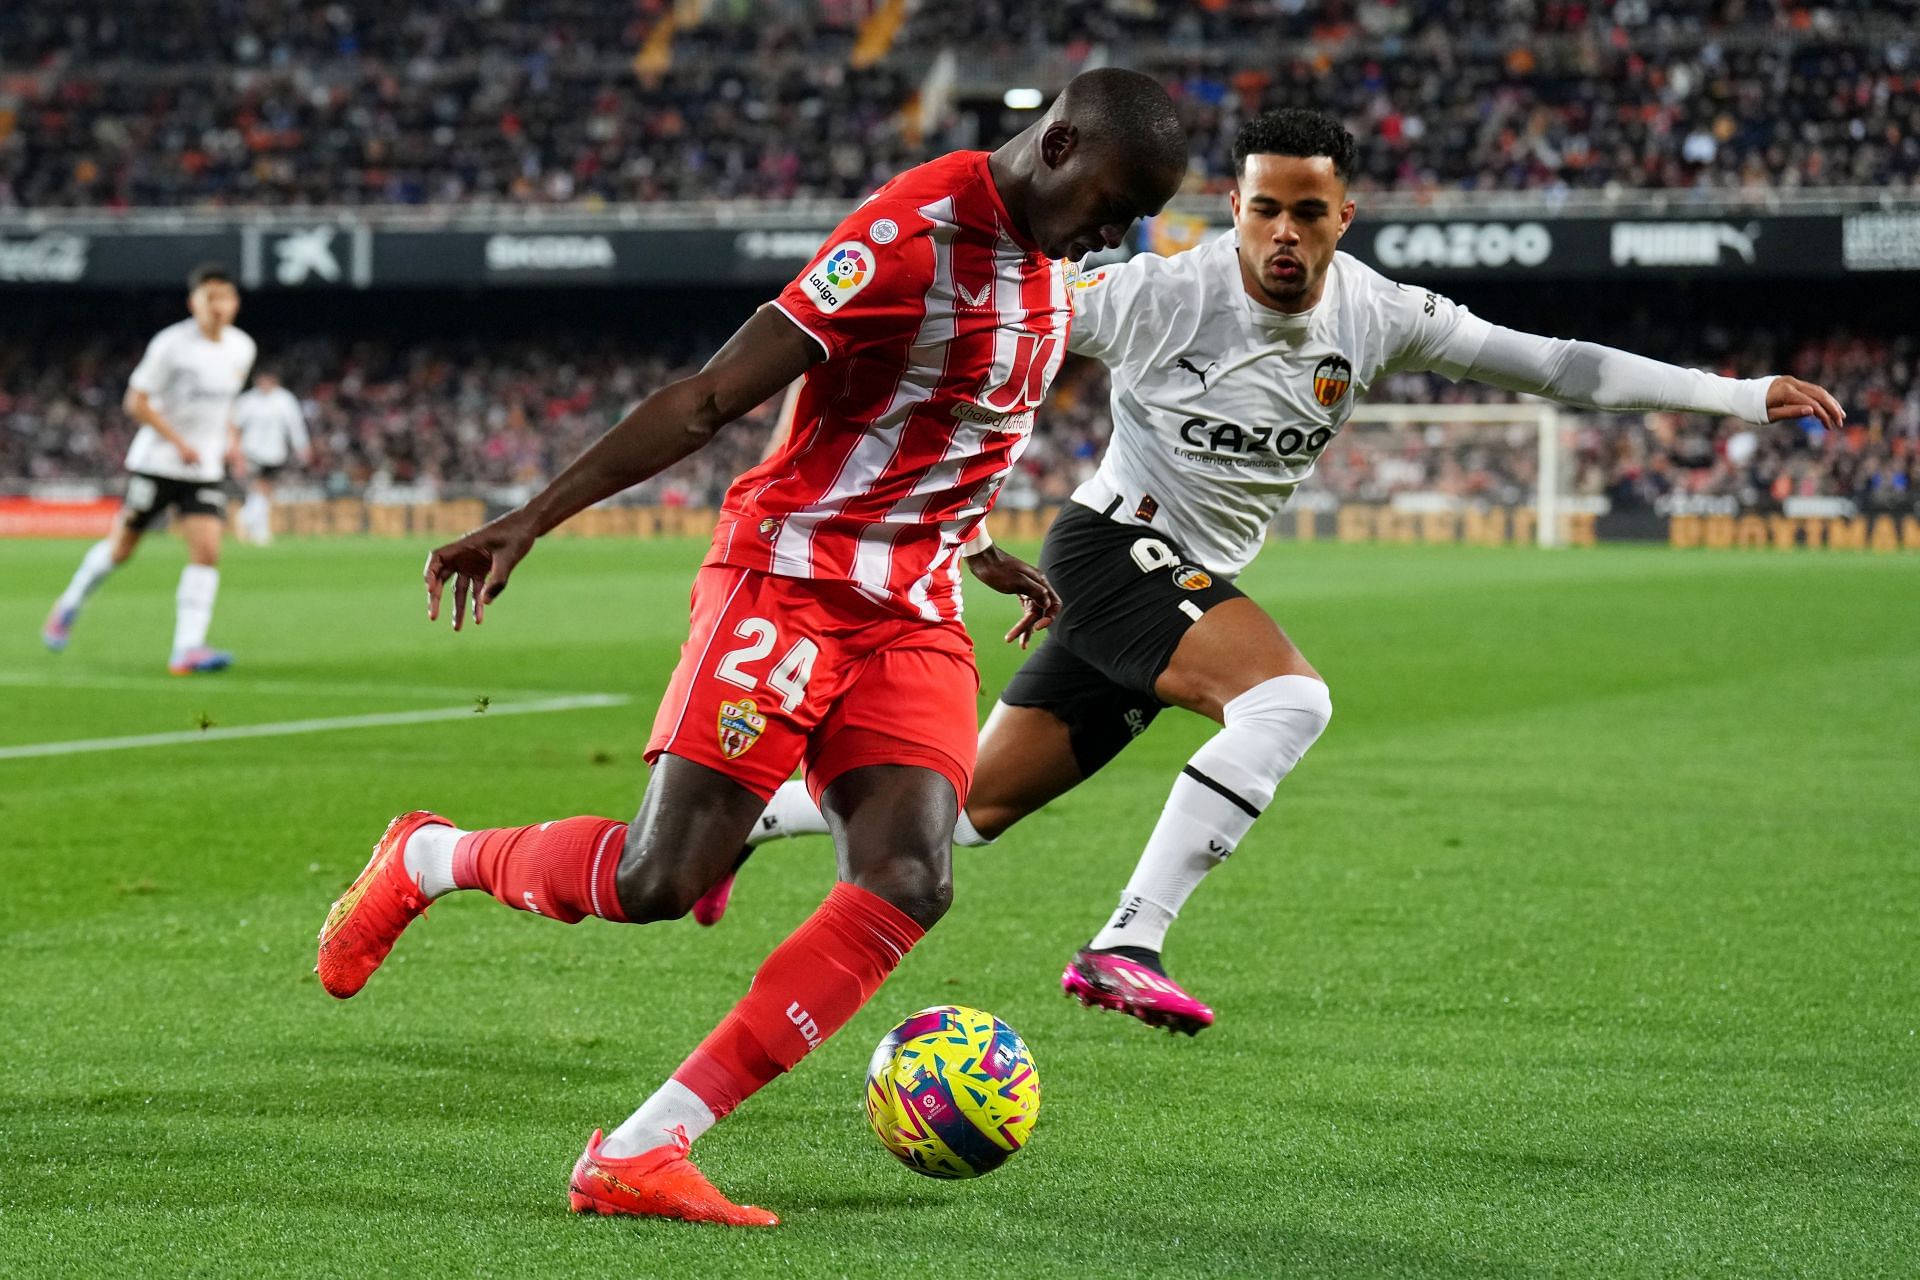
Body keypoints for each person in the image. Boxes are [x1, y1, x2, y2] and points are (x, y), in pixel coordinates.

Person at [715, 108, 1848, 1036]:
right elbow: (984, 362)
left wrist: (1738, 394)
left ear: (1344, 218)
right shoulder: (1158, 293)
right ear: (1237, 211)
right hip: (1112, 547)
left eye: (1311, 211)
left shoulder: (1382, 313)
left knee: (966, 809)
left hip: (1175, 574)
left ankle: (746, 822)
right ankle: (1126, 940)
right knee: (1288, 698)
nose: (1286, 233)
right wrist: (947, 520)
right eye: (1265, 209)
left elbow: (1554, 365)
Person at [314, 68, 1187, 1227]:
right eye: (1111, 203)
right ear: (1061, 142)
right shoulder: (910, 235)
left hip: (913, 605)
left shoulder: (1045, 259)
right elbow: (713, 396)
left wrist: (974, 547)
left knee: (912, 878)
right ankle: (430, 857)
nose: (1110, 235)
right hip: (789, 579)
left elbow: (938, 410)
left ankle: (644, 1145)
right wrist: (530, 516)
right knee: (656, 878)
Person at [43, 263, 255, 674]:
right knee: (122, 549)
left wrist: (232, 440)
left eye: (224, 297)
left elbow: (224, 403)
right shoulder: (171, 345)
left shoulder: (242, 347)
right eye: (208, 297)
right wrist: (179, 443)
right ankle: (68, 604)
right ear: (193, 302)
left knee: (208, 552)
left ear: (235, 303)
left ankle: (186, 649)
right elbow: (135, 401)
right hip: (157, 464)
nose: (217, 306)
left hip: (205, 469)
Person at [233, 369, 311, 545]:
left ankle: (255, 524)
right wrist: (235, 451)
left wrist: (302, 446)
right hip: (252, 451)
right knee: (259, 486)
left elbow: (295, 425)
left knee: (267, 490)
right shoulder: (248, 400)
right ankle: (251, 520)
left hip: (275, 453)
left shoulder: (284, 399)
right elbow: (235, 426)